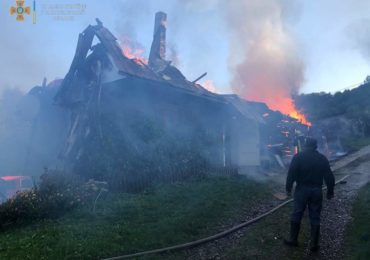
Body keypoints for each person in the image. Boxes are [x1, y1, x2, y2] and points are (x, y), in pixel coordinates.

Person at [284, 137, 335, 252]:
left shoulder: (298, 157)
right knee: (315, 216)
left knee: (297, 213)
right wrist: (330, 191)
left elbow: (291, 174)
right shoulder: (322, 159)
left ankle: (293, 240)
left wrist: (288, 188)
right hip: (316, 191)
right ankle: (314, 244)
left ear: (305, 145)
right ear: (316, 146)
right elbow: (329, 177)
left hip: (301, 189)